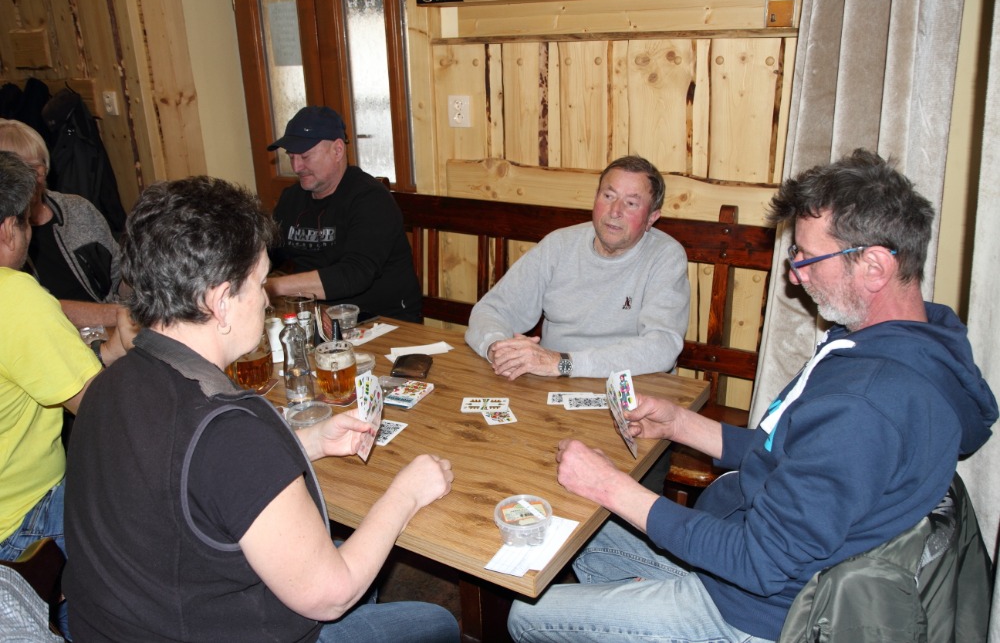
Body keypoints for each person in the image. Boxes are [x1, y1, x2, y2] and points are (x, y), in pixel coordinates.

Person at [506, 149, 998, 642]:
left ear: (874, 266)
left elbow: (757, 563)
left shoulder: (866, 403)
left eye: (807, 257)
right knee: (579, 533)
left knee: (525, 615)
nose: (794, 274)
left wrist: (610, 486)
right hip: (742, 557)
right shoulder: (911, 339)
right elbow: (786, 449)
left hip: (753, 610)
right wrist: (679, 423)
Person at [63, 176, 459, 642]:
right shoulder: (230, 431)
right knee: (438, 624)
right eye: (258, 282)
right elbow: (330, 595)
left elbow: (193, 477)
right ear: (220, 302)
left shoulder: (109, 383)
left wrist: (305, 442)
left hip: (118, 625)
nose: (267, 298)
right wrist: (407, 493)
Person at [0, 152, 130, 638]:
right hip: (20, 521)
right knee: (160, 512)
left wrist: (110, 351)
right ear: (8, 230)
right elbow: (106, 411)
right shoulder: (14, 295)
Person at [464, 155, 689, 380]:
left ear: (651, 218)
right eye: (608, 196)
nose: (614, 211)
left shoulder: (665, 257)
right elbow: (493, 310)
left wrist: (563, 363)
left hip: (632, 386)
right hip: (552, 383)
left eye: (631, 203)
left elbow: (662, 346)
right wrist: (498, 349)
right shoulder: (559, 244)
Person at [266, 106, 422, 322]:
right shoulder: (292, 198)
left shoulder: (371, 199)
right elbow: (267, 253)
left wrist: (273, 287)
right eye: (291, 156)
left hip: (381, 319)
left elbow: (354, 275)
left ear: (337, 150)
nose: (296, 166)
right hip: (317, 315)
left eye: (305, 156)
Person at [0, 118, 123, 329]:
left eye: (36, 169)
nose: (32, 181)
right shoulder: (6, 242)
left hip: (113, 327)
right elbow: (36, 309)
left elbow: (119, 274)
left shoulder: (78, 209)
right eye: (20, 172)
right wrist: (120, 315)